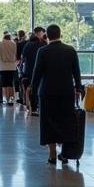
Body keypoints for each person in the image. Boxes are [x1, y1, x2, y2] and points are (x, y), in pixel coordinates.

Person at [30, 24, 83, 165]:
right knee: (66, 121)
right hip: (66, 92)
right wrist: (79, 87)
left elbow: (37, 74)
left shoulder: (43, 51)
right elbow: (76, 72)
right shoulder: (70, 50)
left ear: (47, 35)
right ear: (60, 34)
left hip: (47, 92)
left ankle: (52, 154)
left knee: (49, 123)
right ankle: (65, 153)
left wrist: (33, 92)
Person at [22, 27, 48, 115]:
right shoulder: (43, 44)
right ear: (38, 33)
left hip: (29, 69)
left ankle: (33, 107)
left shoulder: (28, 44)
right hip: (41, 70)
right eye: (42, 33)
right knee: (40, 87)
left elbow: (23, 57)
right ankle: (40, 105)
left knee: (32, 88)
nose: (43, 34)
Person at [0, 31, 19, 106]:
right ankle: (11, 99)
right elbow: (15, 55)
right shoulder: (13, 44)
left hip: (2, 66)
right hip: (12, 66)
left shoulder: (0, 43)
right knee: (10, 83)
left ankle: (5, 99)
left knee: (4, 84)